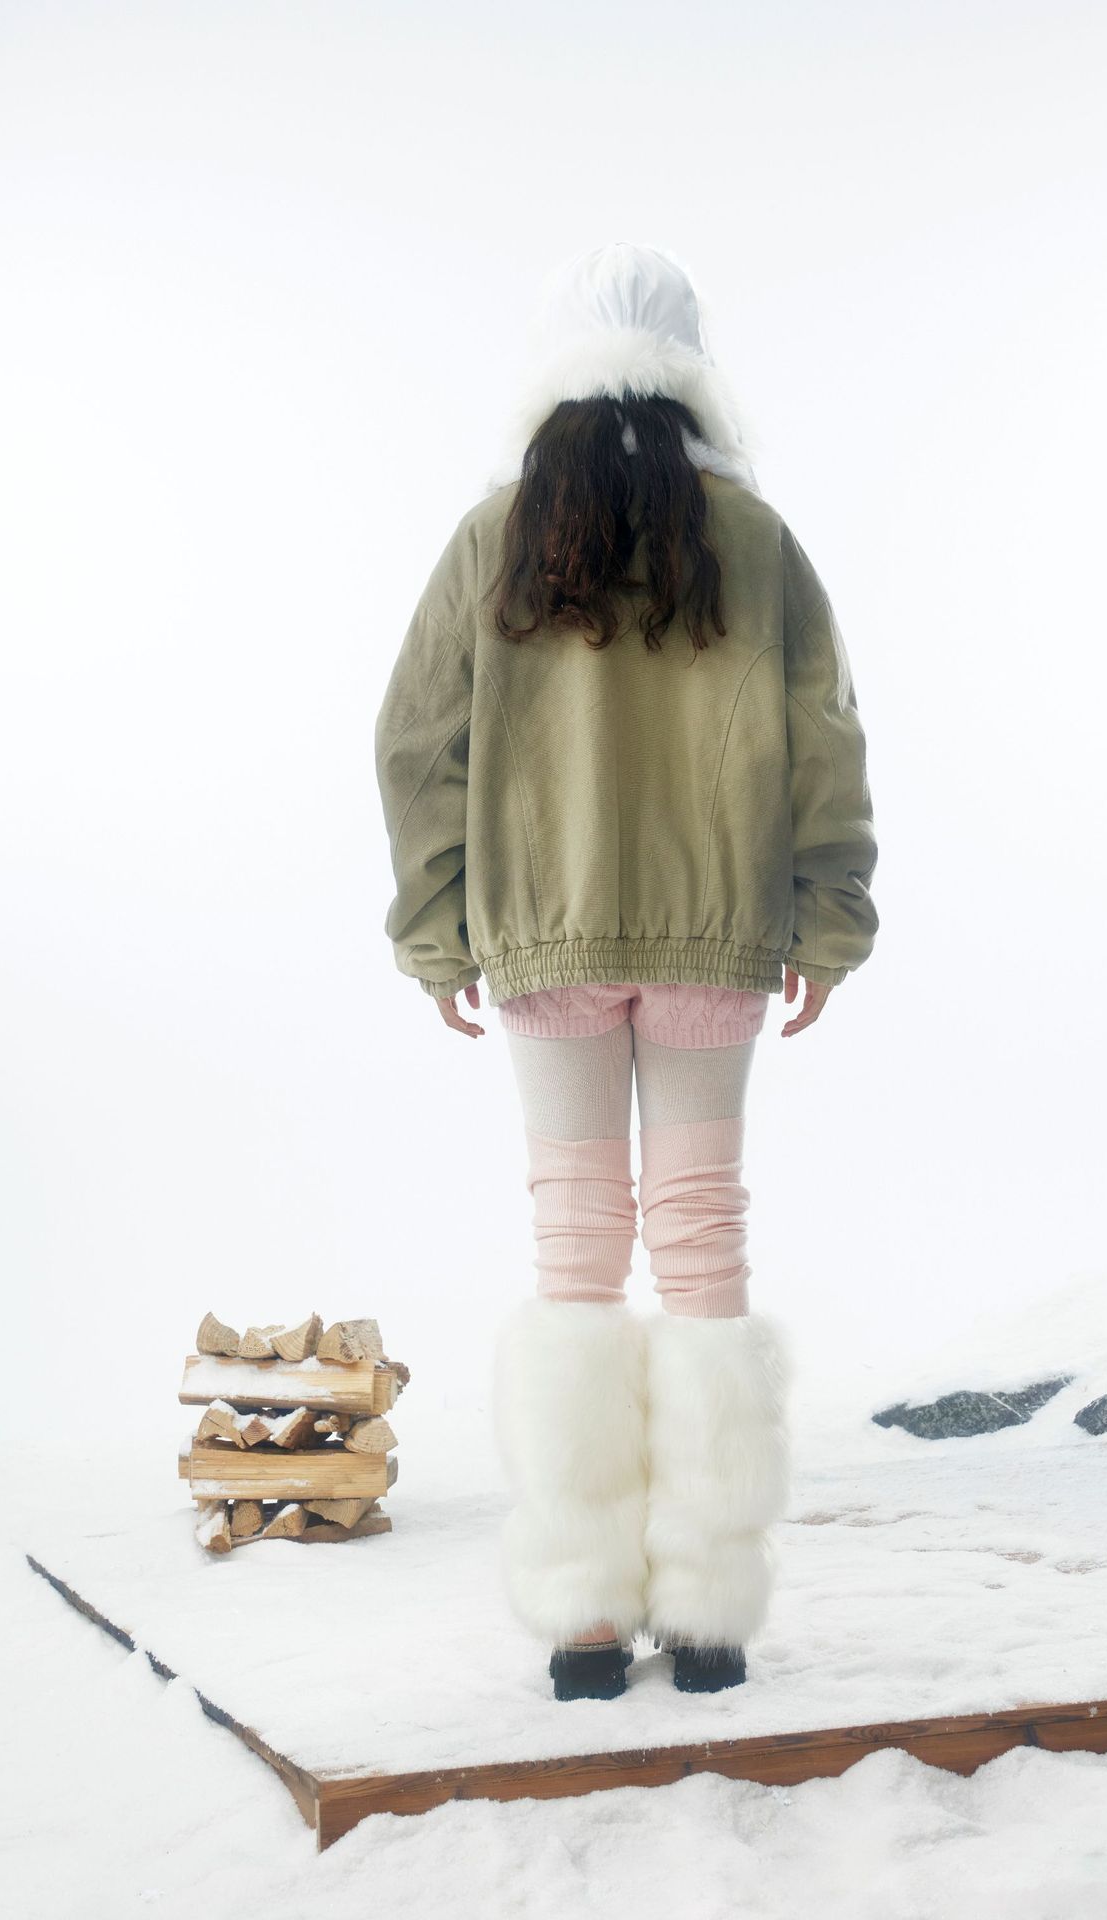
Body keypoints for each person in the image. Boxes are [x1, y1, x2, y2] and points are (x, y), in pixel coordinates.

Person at [373, 240, 879, 1702]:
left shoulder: (498, 536)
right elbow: (829, 738)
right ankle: (711, 1617)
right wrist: (829, 916)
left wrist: (438, 924)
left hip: (544, 938)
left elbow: (414, 741)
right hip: (720, 932)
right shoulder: (756, 538)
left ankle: (584, 1620)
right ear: (691, 364)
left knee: (576, 1245)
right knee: (703, 1236)